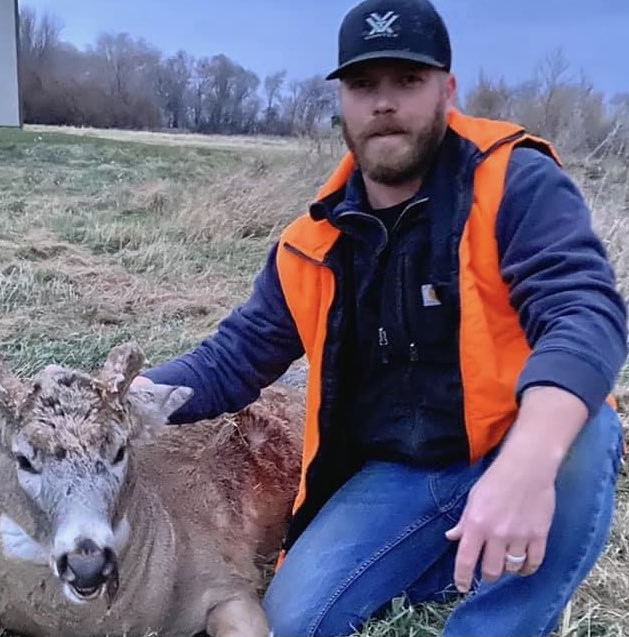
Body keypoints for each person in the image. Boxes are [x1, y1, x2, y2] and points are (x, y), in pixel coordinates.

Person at [137, 0, 628, 634]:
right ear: (342, 102)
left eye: (408, 80)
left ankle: (497, 607)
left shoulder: (515, 182)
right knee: (290, 625)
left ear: (447, 90)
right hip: (404, 470)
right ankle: (451, 554)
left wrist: (527, 463)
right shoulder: (313, 243)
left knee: (585, 433)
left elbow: (584, 311)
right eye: (364, 85)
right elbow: (232, 358)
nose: (385, 103)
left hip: (523, 439)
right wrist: (116, 400)